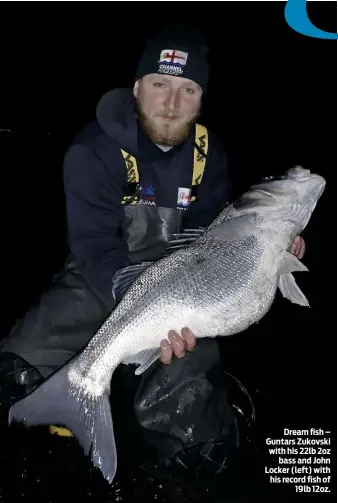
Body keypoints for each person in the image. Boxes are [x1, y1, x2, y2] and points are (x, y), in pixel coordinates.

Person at [0, 23, 306, 476]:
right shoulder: (94, 149)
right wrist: (137, 306)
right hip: (102, 275)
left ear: (201, 99)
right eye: (161, 85)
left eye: (187, 89)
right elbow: (92, 244)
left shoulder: (210, 155)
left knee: (199, 449)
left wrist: (267, 249)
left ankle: (137, 409)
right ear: (138, 87)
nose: (171, 103)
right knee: (15, 374)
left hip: (179, 287)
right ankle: (76, 398)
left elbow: (208, 241)